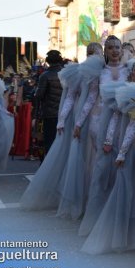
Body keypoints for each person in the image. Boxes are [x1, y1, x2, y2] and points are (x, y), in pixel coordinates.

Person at [20, 43, 104, 211]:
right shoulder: (78, 73)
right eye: (92, 53)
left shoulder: (105, 72)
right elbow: (71, 98)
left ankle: (93, 197)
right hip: (82, 118)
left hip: (96, 117)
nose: (95, 57)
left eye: (97, 53)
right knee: (81, 156)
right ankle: (82, 198)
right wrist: (64, 119)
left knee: (93, 157)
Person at [81, 58, 135, 254]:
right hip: (128, 146)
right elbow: (115, 119)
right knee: (127, 187)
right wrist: (110, 142)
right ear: (131, 73)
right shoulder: (125, 93)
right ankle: (125, 232)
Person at [33, 50, 64, 158]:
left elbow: (39, 95)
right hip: (64, 112)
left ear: (48, 61)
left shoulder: (45, 76)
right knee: (61, 142)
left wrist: (35, 115)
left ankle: (48, 167)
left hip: (49, 114)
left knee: (49, 142)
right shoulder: (65, 74)